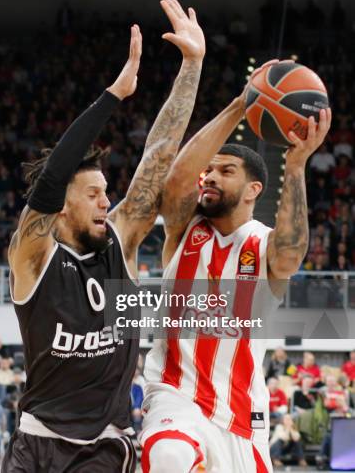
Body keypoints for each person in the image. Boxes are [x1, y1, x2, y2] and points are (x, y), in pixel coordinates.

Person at [3, 0, 205, 472]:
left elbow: (158, 151)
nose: (105, 201)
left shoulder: (122, 240)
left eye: (106, 192)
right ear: (62, 206)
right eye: (92, 193)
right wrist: (113, 95)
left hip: (105, 443)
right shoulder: (33, 256)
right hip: (37, 443)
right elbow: (51, 177)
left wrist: (191, 67)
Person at [140, 56, 331, 472]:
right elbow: (175, 183)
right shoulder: (184, 229)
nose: (209, 176)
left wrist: (296, 164)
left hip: (243, 418)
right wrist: (242, 103)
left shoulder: (263, 243)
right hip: (176, 397)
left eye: (225, 171)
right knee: (169, 454)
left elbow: (291, 252)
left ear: (253, 189)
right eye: (208, 170)